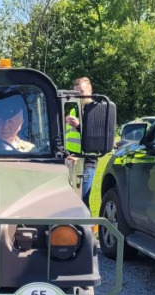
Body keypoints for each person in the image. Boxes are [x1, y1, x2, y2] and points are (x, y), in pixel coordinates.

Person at [65, 76, 96, 208]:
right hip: (72, 161)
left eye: (82, 92)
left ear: (90, 91)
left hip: (87, 163)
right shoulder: (74, 110)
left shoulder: (96, 110)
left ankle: (86, 227)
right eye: (76, 93)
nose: (79, 96)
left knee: (82, 202)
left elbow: (95, 136)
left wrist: (78, 126)